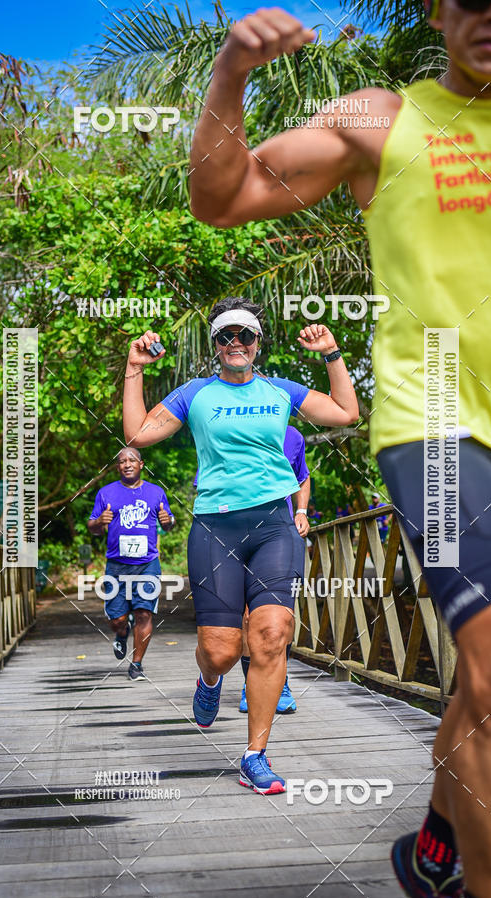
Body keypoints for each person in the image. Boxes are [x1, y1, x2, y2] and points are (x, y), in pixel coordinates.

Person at [188, 2, 491, 896]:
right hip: (443, 430)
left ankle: (436, 844)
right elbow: (221, 199)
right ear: (437, 9)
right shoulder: (381, 120)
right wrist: (232, 72)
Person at [123, 296, 358, 794]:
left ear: (257, 344)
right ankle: (210, 682)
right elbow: (138, 433)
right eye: (226, 335)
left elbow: (345, 412)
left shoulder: (281, 391)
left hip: (274, 524)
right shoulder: (194, 394)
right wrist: (134, 369)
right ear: (215, 344)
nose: (236, 344)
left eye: (245, 335)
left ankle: (255, 756)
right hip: (215, 527)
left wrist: (332, 354)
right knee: (221, 651)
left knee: (272, 634)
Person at [237, 424, 311, 715]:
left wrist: (301, 511)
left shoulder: (292, 436)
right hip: (237, 533)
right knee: (248, 615)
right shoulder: (231, 428)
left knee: (282, 616)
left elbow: (302, 477)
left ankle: (280, 683)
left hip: (280, 534)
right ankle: (249, 685)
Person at [88, 448, 175, 680]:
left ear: (141, 464)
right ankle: (121, 632)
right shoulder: (106, 493)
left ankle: (136, 664)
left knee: (144, 613)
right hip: (116, 565)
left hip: (148, 564)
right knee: (116, 618)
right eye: (122, 461)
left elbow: (168, 523)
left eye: (131, 460)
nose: (127, 464)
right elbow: (92, 527)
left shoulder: (156, 492)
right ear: (118, 467)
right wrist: (99, 522)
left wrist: (168, 521)